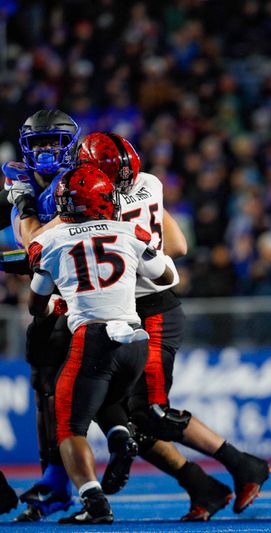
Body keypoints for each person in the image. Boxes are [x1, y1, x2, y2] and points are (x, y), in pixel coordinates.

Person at [73, 131, 271, 520]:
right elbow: (178, 246)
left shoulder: (97, 199)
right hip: (138, 305)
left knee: (150, 414)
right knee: (130, 420)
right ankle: (203, 488)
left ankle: (244, 465)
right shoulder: (150, 183)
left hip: (147, 310)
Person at [28, 164, 175, 524]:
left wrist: (58, 303)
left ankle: (95, 503)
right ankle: (121, 434)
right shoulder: (130, 230)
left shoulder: (47, 241)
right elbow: (167, 277)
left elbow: (37, 308)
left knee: (68, 427)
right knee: (105, 399)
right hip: (135, 341)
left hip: (93, 340)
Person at [0, 109, 80, 521]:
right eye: (39, 143)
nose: (47, 151)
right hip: (50, 304)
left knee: (116, 409)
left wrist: (22, 199)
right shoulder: (24, 186)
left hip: (88, 306)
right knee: (46, 394)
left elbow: (34, 243)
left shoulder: (81, 182)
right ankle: (55, 481)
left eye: (54, 142)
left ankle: (68, 483)